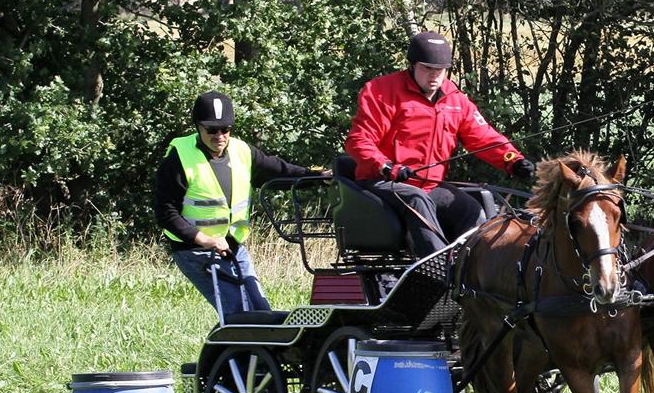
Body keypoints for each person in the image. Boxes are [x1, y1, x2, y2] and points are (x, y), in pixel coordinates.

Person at [344, 31, 535, 258]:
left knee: (470, 208)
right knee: (417, 199)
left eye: (441, 70)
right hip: (383, 182)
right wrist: (387, 166)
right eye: (427, 68)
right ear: (412, 65)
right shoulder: (381, 92)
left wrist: (512, 160)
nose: (434, 76)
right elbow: (359, 140)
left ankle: (471, 271)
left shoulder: (455, 100)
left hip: (429, 186)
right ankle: (436, 269)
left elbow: (483, 136)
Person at [154, 91, 327, 316]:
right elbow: (165, 213)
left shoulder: (242, 151)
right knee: (238, 314)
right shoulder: (178, 159)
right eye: (212, 130)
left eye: (225, 129)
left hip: (232, 246)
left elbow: (278, 172)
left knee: (262, 312)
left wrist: (317, 177)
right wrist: (205, 240)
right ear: (198, 126)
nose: (219, 136)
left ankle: (261, 351)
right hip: (194, 251)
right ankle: (233, 351)